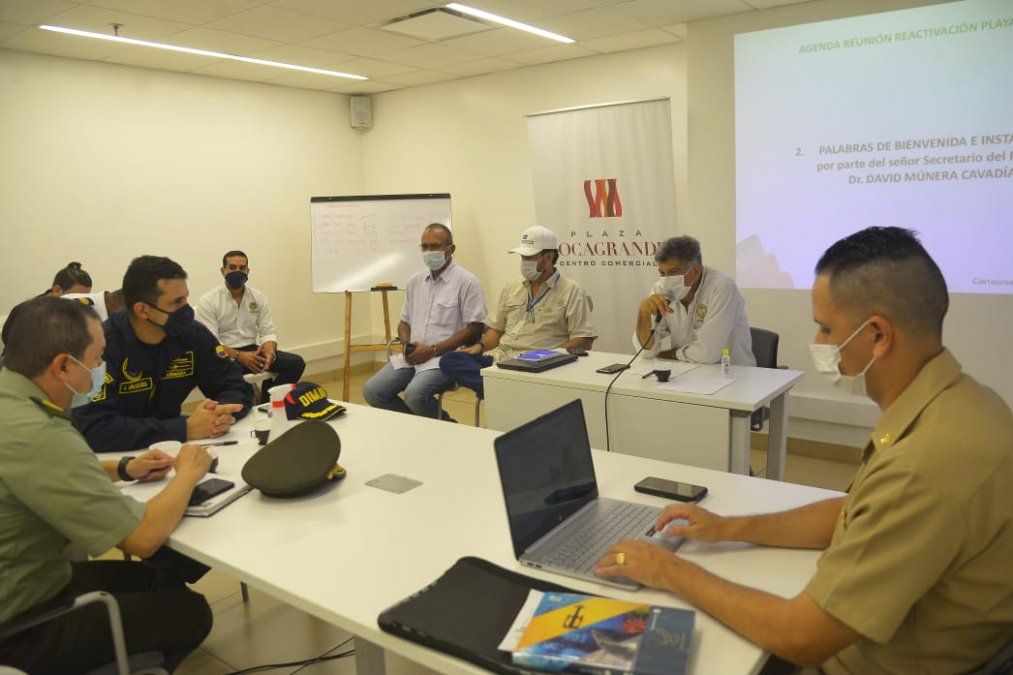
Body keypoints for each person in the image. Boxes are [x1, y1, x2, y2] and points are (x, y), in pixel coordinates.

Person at [594, 227, 1012, 674]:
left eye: (827, 328)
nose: (818, 342)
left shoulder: (926, 464)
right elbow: (856, 512)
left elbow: (801, 637)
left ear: (878, 336)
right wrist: (729, 527)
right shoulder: (965, 403)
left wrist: (667, 571)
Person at [0, 296, 214, 673]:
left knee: (154, 580)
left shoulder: (12, 400)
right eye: (97, 358)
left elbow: (46, 473)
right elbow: (143, 538)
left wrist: (126, 467)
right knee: (192, 612)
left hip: (25, 583)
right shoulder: (40, 432)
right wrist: (188, 473)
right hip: (19, 626)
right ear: (64, 366)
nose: (101, 367)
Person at [72, 255, 252, 453]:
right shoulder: (102, 346)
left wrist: (220, 413)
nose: (187, 310)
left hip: (175, 446)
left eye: (186, 298)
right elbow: (94, 429)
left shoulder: (192, 334)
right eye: (176, 303)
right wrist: (184, 429)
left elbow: (234, 385)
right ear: (142, 310)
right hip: (117, 456)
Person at [440, 226, 596, 398]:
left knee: (503, 381)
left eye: (529, 257)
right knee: (450, 359)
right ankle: (501, 389)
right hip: (501, 361)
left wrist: (549, 356)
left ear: (549, 257)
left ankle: (498, 390)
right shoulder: (511, 288)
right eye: (522, 257)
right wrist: (480, 346)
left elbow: (583, 340)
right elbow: (497, 330)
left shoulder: (571, 291)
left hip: (539, 365)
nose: (524, 262)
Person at [363, 224, 486, 419]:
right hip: (413, 356)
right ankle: (416, 428)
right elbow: (404, 322)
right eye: (425, 247)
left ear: (451, 249)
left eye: (435, 247)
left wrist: (432, 350)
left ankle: (447, 430)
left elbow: (475, 329)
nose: (429, 252)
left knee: (415, 395)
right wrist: (406, 344)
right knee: (373, 391)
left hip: (445, 359)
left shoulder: (467, 282)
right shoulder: (415, 281)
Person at [195, 250, 305, 403]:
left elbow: (268, 332)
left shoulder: (258, 297)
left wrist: (269, 352)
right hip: (225, 356)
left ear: (248, 271)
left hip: (253, 352)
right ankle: (245, 403)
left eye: (242, 268)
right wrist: (240, 357)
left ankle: (267, 402)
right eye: (232, 268)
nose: (238, 271)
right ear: (223, 271)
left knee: (295, 363)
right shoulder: (209, 301)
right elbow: (211, 344)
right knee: (234, 383)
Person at [634, 236, 755, 365]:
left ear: (696, 271)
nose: (666, 281)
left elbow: (708, 353)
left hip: (732, 373)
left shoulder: (721, 287)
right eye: (662, 273)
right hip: (687, 373)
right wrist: (643, 314)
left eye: (673, 272)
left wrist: (669, 354)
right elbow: (646, 351)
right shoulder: (660, 289)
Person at [2, 262, 95, 353]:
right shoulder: (26, 311)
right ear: (57, 290)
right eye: (74, 297)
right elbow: (12, 343)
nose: (78, 303)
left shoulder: (69, 312)